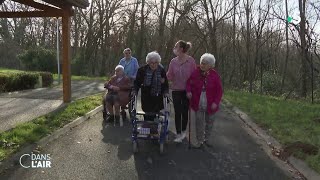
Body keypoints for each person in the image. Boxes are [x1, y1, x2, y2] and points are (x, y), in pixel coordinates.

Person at [186, 53, 223, 149]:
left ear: (210, 65)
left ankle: (207, 139)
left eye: (205, 64)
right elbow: (189, 83)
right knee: (199, 122)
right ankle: (199, 141)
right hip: (197, 101)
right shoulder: (195, 72)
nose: (202, 65)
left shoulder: (215, 75)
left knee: (209, 122)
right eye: (202, 62)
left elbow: (219, 90)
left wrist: (216, 102)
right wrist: (189, 91)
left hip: (210, 102)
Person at [166, 40, 196, 142]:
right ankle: (178, 133)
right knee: (177, 112)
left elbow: (194, 76)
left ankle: (183, 131)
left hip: (187, 91)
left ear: (182, 49)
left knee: (184, 112)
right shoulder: (173, 61)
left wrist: (191, 90)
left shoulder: (191, 61)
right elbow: (169, 75)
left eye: (176, 46)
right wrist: (163, 78)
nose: (174, 48)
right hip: (176, 90)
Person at [133, 51, 169, 121]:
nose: (153, 64)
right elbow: (136, 82)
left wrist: (166, 92)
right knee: (148, 115)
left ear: (158, 63)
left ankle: (155, 128)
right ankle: (147, 129)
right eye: (151, 63)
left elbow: (165, 84)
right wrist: (135, 91)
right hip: (146, 95)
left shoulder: (161, 70)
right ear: (148, 62)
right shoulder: (142, 70)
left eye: (155, 63)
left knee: (156, 115)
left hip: (158, 96)